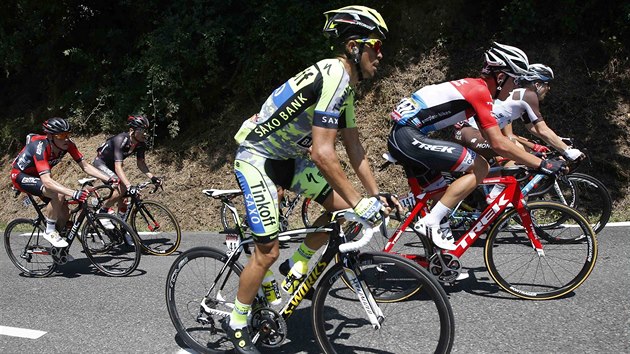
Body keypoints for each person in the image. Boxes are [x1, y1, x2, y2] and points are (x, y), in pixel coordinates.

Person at [227, 5, 393, 353]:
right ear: (354, 47)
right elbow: (322, 152)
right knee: (267, 251)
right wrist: (360, 202)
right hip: (257, 157)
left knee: (339, 210)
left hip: (286, 159)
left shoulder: (346, 87)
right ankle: (238, 318)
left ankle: (299, 262)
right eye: (376, 46)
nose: (381, 54)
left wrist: (374, 196)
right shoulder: (334, 75)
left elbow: (354, 148)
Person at [387, 42, 567, 251]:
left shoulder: (476, 89)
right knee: (480, 166)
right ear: (501, 78)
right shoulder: (479, 91)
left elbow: (495, 138)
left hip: (406, 135)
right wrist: (542, 163)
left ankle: (440, 265)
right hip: (407, 137)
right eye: (515, 79)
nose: (515, 87)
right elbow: (498, 144)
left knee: (441, 198)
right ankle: (428, 223)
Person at [452, 63, 584, 203]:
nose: (549, 88)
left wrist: (560, 141)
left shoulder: (518, 94)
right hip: (470, 132)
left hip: (470, 133)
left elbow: (533, 128)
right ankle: (495, 196)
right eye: (546, 84)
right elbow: (542, 129)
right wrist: (568, 151)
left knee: (512, 159)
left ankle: (488, 206)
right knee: (517, 151)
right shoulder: (528, 95)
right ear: (537, 84)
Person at [10, 117, 118, 247]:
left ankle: (58, 242)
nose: (66, 138)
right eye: (62, 135)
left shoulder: (68, 145)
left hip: (38, 176)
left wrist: (109, 178)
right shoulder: (40, 148)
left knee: (64, 209)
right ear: (50, 136)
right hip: (21, 175)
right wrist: (73, 193)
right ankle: (49, 231)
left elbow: (85, 166)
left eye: (68, 134)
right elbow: (47, 181)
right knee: (58, 194)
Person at [92, 114, 162, 228]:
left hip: (113, 166)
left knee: (125, 199)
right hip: (101, 164)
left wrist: (152, 177)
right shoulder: (121, 140)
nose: (145, 133)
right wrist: (129, 185)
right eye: (142, 130)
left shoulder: (140, 144)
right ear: (132, 130)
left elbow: (141, 163)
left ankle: (122, 227)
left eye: (146, 130)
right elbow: (118, 167)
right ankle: (103, 211)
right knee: (123, 188)